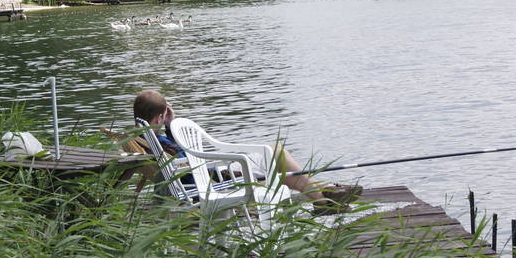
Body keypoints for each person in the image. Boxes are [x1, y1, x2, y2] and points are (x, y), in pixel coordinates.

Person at [133, 90, 362, 214]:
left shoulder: (145, 139)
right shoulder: (158, 140)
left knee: (277, 160)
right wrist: (171, 125)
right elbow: (190, 160)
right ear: (160, 116)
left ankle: (324, 197)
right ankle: (326, 193)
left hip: (208, 176)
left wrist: (168, 127)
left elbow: (182, 160)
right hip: (214, 179)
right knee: (277, 153)